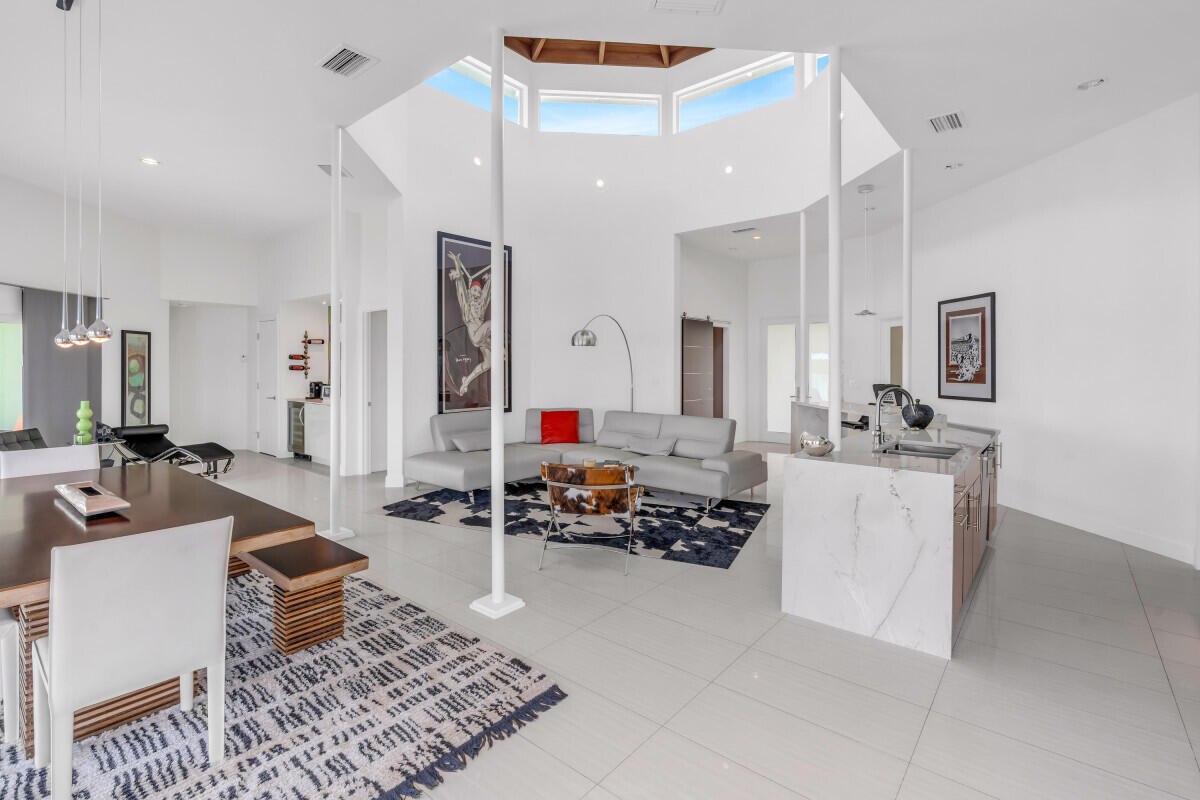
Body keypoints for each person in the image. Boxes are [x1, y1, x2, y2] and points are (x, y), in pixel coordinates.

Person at [447, 251, 493, 396]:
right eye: (474, 290)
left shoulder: (480, 305)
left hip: (482, 337)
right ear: (470, 291)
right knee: (493, 323)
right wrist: (456, 262)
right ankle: (500, 349)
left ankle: (466, 382)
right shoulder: (467, 306)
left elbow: (487, 293)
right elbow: (461, 286)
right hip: (475, 335)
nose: (477, 294)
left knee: (489, 363)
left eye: (478, 291)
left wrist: (491, 279)